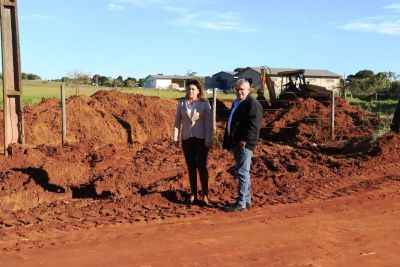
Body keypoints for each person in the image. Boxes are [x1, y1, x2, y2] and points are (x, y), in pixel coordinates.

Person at [223, 79, 263, 212]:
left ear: (248, 90)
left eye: (242, 89)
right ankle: (246, 200)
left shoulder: (253, 104)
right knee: (243, 172)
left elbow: (254, 126)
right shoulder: (237, 102)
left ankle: (241, 204)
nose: (239, 91)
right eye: (237, 89)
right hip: (236, 142)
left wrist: (245, 140)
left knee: (242, 172)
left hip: (244, 144)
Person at [173, 79, 213, 206]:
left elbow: (209, 123)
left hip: (201, 140)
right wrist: (175, 138)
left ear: (198, 91)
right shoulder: (182, 103)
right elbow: (177, 122)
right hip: (187, 139)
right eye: (189, 89)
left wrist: (208, 139)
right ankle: (193, 194)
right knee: (191, 168)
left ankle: (205, 195)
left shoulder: (204, 103)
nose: (190, 91)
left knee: (202, 167)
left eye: (193, 89)